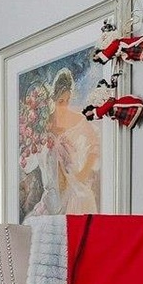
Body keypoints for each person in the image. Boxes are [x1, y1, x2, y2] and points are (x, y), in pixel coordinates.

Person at [43, 66, 100, 214]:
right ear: (53, 99)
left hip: (73, 180)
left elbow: (95, 146)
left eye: (68, 100)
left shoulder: (78, 119)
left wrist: (83, 172)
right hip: (52, 183)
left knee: (82, 200)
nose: (64, 105)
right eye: (61, 101)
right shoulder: (45, 121)